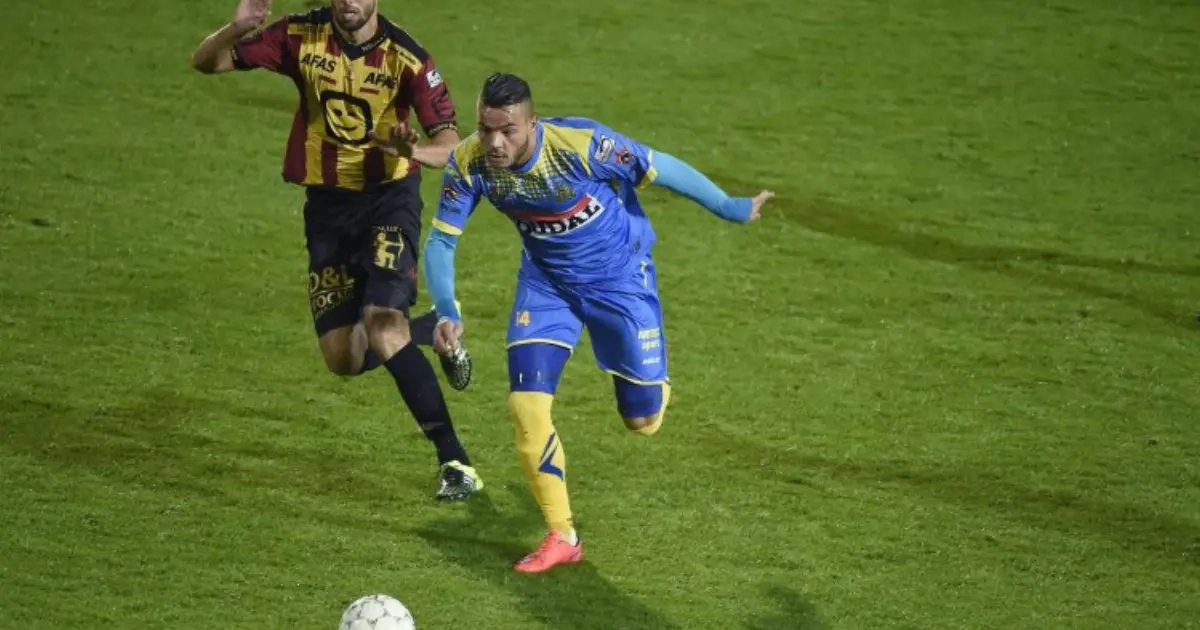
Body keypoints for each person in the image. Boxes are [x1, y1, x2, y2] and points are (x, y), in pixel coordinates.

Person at [423, 73, 774, 571]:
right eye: (485, 129)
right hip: (546, 286)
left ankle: (653, 386)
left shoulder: (582, 146)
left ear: (531, 123)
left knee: (641, 422)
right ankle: (562, 535)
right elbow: (442, 240)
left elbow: (657, 165)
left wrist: (727, 206)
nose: (494, 143)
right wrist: (447, 310)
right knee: (525, 404)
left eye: (507, 130)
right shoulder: (469, 161)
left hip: (620, 279)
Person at [190, 0, 483, 501]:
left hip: (389, 200)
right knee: (343, 358)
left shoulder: (407, 58)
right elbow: (207, 62)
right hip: (326, 209)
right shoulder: (299, 35)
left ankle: (455, 462)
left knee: (382, 324)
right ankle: (427, 328)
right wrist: (235, 29)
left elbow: (452, 144)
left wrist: (411, 150)